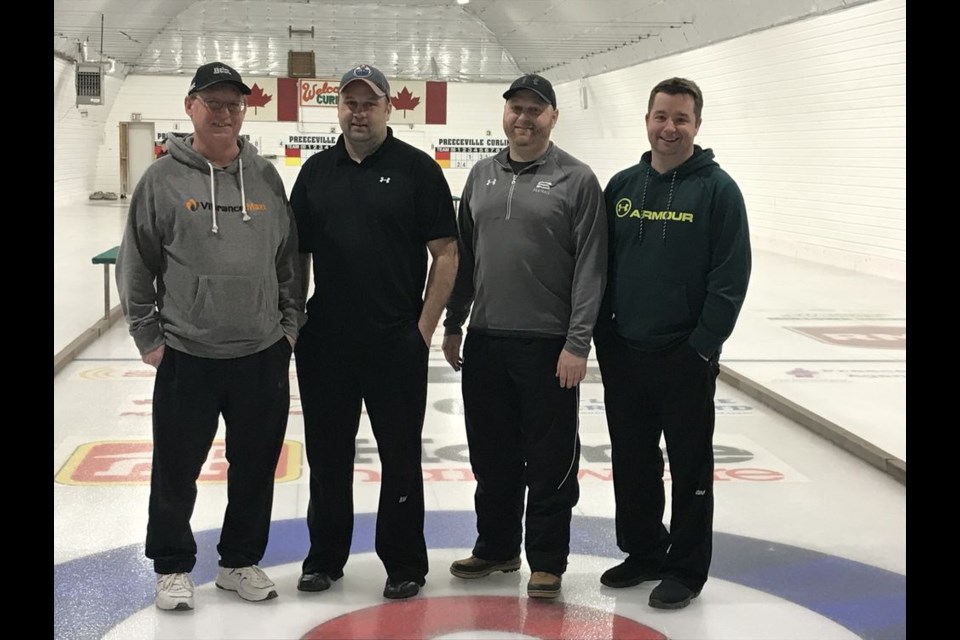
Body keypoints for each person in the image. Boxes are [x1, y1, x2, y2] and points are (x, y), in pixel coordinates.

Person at [115, 61, 302, 611]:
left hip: (261, 353)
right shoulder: (162, 180)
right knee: (176, 468)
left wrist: (289, 328)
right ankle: (172, 566)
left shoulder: (266, 176)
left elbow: (288, 261)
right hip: (188, 355)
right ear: (190, 107)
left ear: (244, 111)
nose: (224, 113)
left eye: (233, 104)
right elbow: (136, 266)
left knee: (255, 466)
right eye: (213, 103)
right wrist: (150, 339)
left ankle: (239, 562)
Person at [290, 64, 459, 600]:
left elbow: (447, 253)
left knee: (401, 456)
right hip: (327, 343)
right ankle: (324, 559)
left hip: (395, 342)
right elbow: (297, 254)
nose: (358, 112)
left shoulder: (417, 170)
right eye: (349, 102)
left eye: (369, 103)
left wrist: (424, 328)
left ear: (389, 108)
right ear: (338, 107)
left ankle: (405, 563)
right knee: (328, 455)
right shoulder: (316, 171)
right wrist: (295, 319)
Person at [442, 74, 607, 599]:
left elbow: (591, 267)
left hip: (547, 345)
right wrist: (454, 321)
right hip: (487, 338)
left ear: (553, 118)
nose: (525, 118)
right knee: (491, 455)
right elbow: (465, 257)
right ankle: (496, 548)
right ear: (505, 114)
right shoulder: (481, 176)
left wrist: (578, 342)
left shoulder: (576, 180)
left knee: (551, 460)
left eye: (536, 109)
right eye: (517, 108)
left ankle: (547, 561)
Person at [594, 77, 751, 610]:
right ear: (647, 120)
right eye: (661, 116)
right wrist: (604, 337)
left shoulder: (718, 190)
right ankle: (643, 552)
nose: (670, 128)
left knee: (689, 466)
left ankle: (685, 569)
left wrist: (702, 347)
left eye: (681, 118)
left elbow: (730, 277)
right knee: (632, 461)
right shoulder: (620, 188)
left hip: (684, 356)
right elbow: (600, 269)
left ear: (697, 126)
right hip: (625, 352)